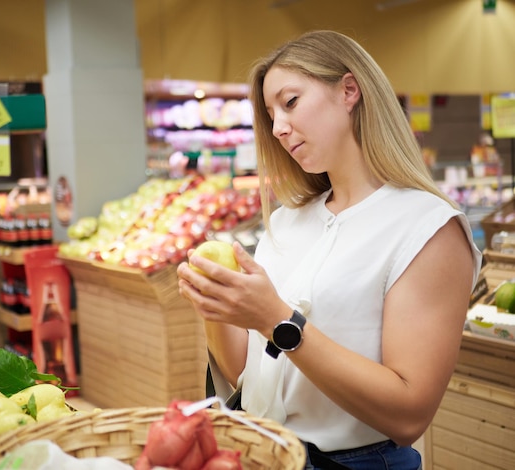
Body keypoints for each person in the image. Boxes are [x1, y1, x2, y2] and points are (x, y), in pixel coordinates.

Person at [176, 30, 482, 470]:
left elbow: (409, 413)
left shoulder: (426, 228)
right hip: (265, 453)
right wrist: (217, 305)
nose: (278, 128)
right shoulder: (287, 221)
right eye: (270, 114)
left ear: (349, 91)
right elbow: (245, 375)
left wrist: (277, 320)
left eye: (291, 102)